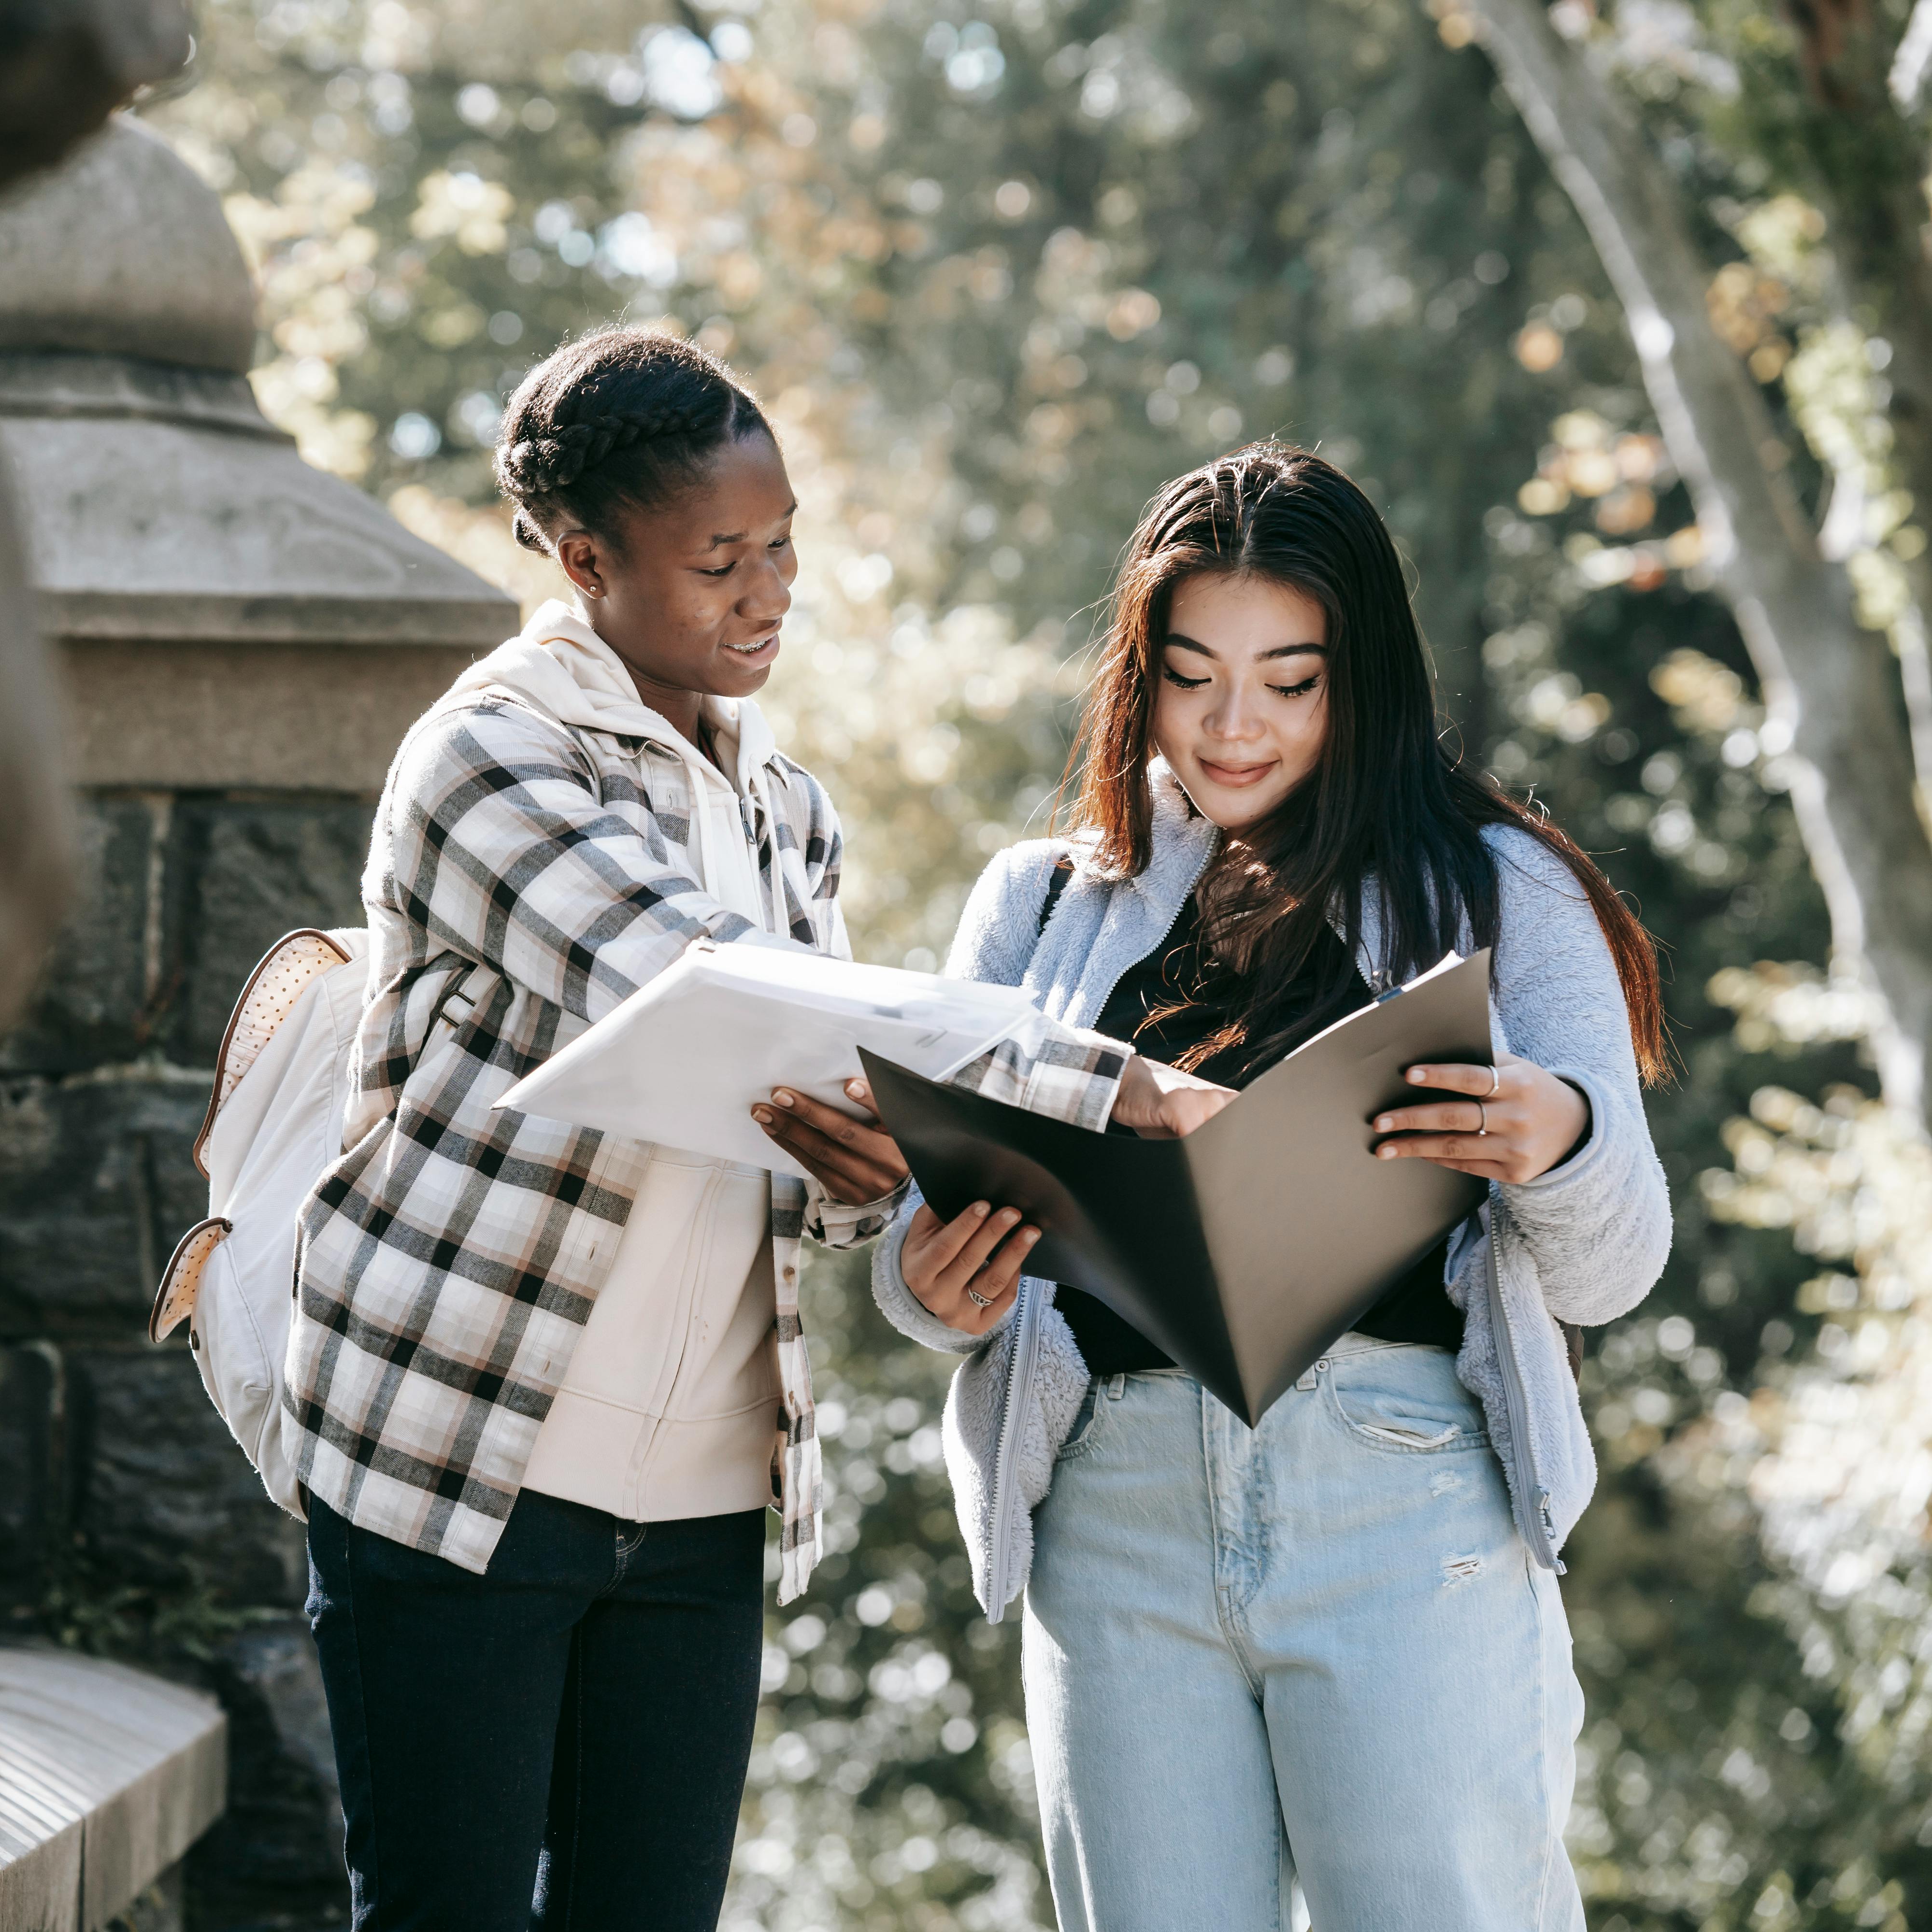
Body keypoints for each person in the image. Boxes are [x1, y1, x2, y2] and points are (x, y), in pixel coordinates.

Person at [289, 327, 1218, 1932]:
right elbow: (697, 986)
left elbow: (805, 1126)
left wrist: (866, 1178)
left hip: (708, 1494)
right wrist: (1107, 1087)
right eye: (721, 560)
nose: (769, 589)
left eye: (782, 544)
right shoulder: (491, 758)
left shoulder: (788, 807)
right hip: (460, 1463)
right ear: (586, 559)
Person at [871, 443, 1674, 1931]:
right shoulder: (1037, 904)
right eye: (1192, 676)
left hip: (1401, 1503)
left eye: (1289, 681)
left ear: (1361, 679)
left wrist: (1555, 1133)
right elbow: (934, 1244)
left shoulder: (1505, 888)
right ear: (1139, 673)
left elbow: (1616, 1268)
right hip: (1115, 1525)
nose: (1234, 726)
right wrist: (928, 1283)